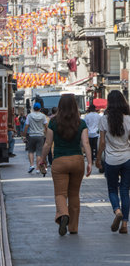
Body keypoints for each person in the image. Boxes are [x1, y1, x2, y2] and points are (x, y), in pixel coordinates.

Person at [40, 94, 92, 236]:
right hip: (77, 160)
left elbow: (48, 143)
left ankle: (63, 214)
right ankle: (73, 227)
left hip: (59, 161)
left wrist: (42, 159)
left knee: (60, 194)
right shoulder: (81, 123)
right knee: (74, 194)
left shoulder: (53, 122)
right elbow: (86, 143)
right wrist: (90, 162)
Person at [96, 90, 130, 234]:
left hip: (111, 160)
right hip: (127, 159)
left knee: (112, 189)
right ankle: (124, 225)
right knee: (125, 190)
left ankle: (117, 211)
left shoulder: (104, 119)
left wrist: (97, 159)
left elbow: (102, 142)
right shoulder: (128, 119)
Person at [24, 102, 48, 173]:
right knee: (39, 153)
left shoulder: (29, 115)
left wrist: (24, 135)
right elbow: (46, 126)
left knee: (30, 151)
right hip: (40, 136)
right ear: (40, 109)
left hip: (31, 135)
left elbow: (26, 126)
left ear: (33, 108)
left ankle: (31, 165)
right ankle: (37, 168)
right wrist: (45, 132)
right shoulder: (43, 116)